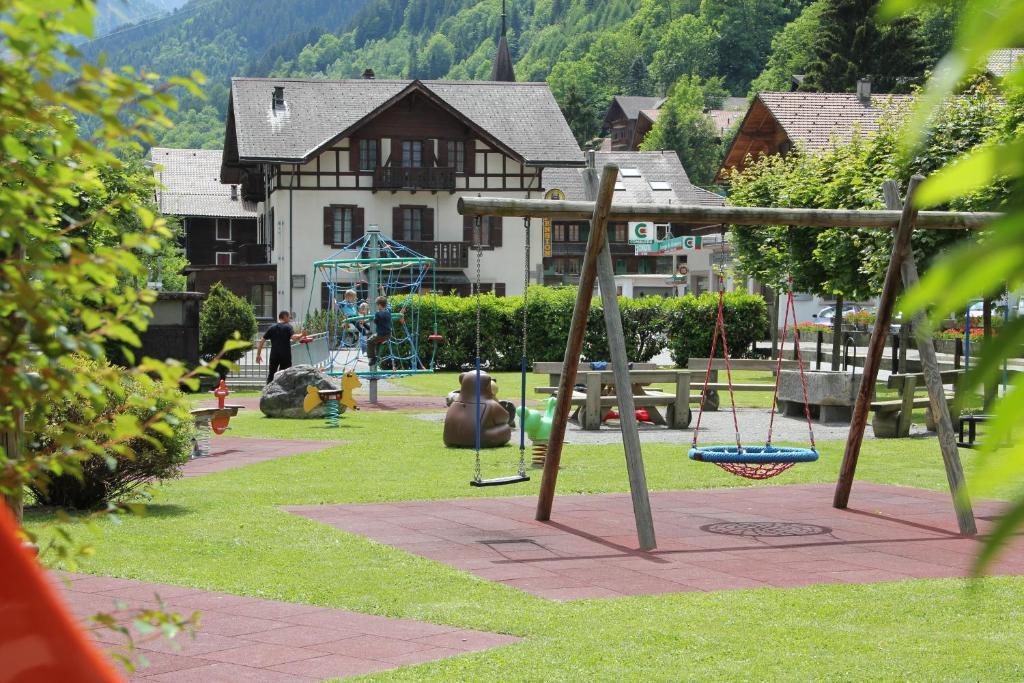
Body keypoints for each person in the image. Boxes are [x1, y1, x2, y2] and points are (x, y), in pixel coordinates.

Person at [255, 310, 304, 384]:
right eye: (288, 317)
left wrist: (258, 355)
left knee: (271, 375)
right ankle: (283, 393)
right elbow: (294, 337)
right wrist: (302, 334)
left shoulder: (272, 327)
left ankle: (268, 393)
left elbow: (261, 341)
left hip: (274, 355)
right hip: (285, 355)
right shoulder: (288, 327)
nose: (289, 319)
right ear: (285, 316)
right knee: (285, 375)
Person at [366, 296, 391, 367]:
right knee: (377, 343)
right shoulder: (389, 311)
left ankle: (372, 358)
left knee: (370, 341)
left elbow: (375, 321)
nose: (377, 307)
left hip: (381, 334)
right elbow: (388, 306)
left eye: (377, 305)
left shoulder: (378, 313)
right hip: (388, 335)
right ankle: (377, 357)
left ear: (379, 305)